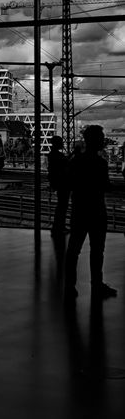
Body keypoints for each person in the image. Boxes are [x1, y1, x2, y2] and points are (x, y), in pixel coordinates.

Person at [64, 125, 117, 302]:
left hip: (79, 210)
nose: (103, 140)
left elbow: (69, 183)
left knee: (73, 250)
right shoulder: (100, 163)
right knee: (97, 251)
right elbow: (105, 186)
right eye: (101, 137)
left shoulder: (75, 161)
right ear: (95, 140)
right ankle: (97, 284)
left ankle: (69, 286)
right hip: (97, 211)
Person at [47, 135, 70, 237]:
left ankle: (58, 227)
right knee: (62, 206)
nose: (62, 144)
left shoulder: (52, 154)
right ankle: (59, 227)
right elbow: (65, 163)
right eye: (61, 142)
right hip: (62, 183)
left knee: (61, 206)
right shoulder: (57, 155)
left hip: (58, 182)